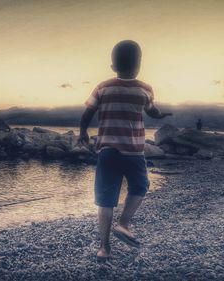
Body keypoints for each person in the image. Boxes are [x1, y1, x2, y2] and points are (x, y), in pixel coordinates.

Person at [78, 40, 172, 260]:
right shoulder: (145, 89)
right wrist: (161, 116)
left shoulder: (102, 87)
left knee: (105, 200)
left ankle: (104, 248)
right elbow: (152, 112)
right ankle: (124, 223)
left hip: (107, 151)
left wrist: (83, 132)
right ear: (139, 65)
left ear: (113, 66)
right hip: (133, 152)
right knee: (140, 186)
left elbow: (87, 114)